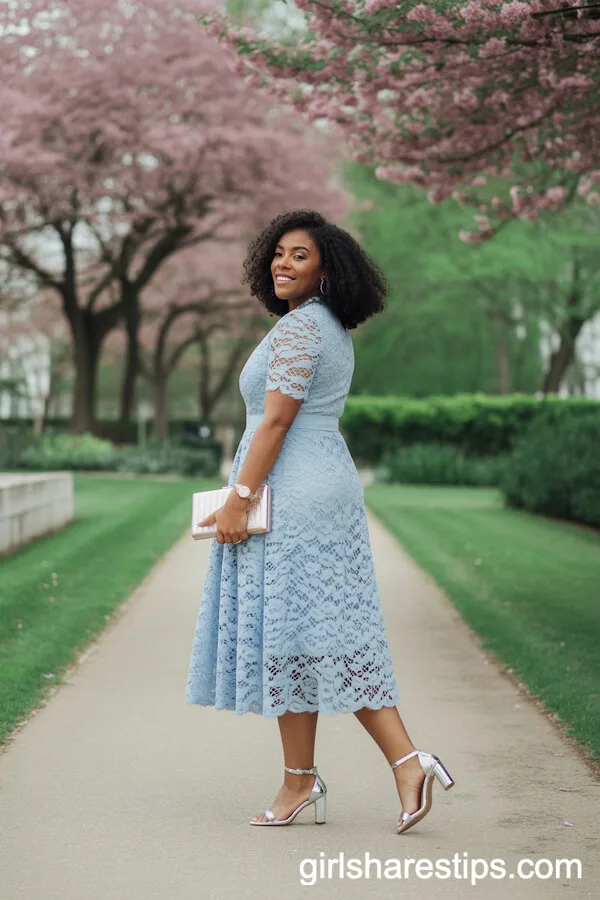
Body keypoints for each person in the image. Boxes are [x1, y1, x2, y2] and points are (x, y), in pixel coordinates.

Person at [185, 210, 454, 833]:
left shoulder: (304, 330)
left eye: (299, 255)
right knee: (306, 637)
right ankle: (308, 780)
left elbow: (276, 421)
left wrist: (239, 496)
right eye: (278, 253)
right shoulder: (317, 325)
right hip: (315, 480)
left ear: (327, 269)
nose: (283, 263)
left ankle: (400, 762)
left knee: (312, 635)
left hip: (295, 492)